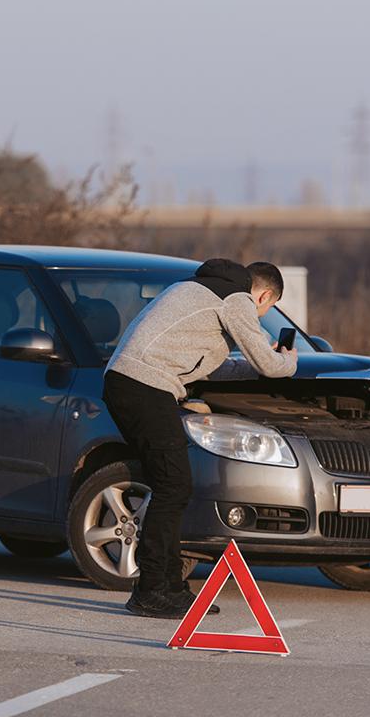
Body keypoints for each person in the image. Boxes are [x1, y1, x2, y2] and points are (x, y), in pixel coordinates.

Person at [103, 259, 298, 618]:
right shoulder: (236, 299)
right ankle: (151, 590)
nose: (259, 317)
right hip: (145, 387)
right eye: (266, 311)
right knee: (174, 485)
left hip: (131, 384)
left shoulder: (202, 290)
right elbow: (272, 368)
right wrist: (288, 361)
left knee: (172, 485)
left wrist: (253, 363)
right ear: (265, 295)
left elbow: (203, 363)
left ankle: (171, 586)